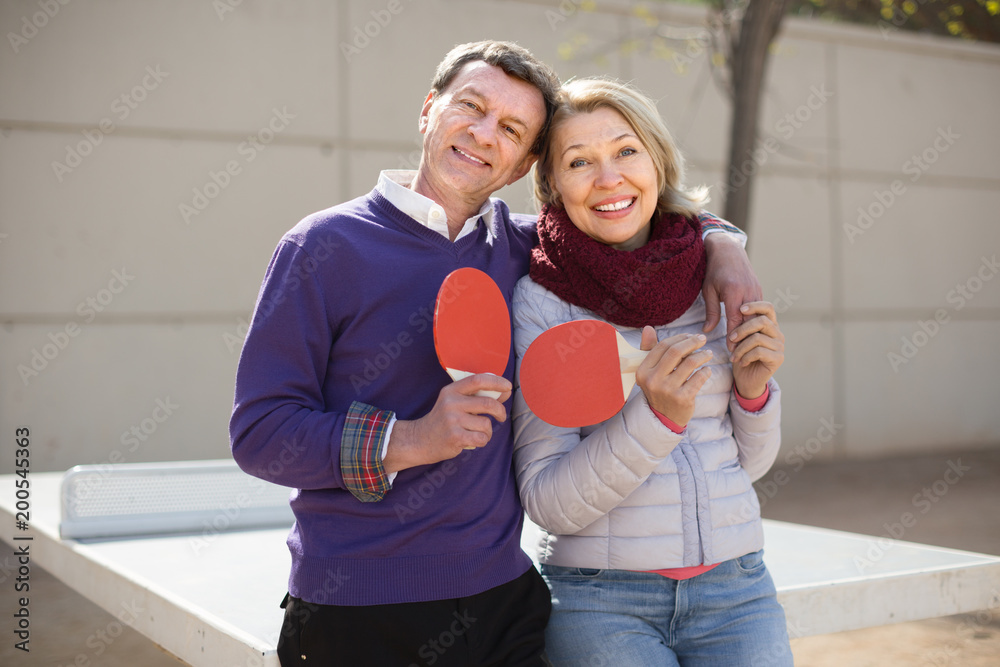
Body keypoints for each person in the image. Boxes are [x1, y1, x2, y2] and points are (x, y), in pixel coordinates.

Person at [230, 41, 761, 666]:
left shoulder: (531, 253)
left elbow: (632, 209)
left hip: (503, 605)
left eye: (511, 129)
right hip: (357, 610)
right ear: (429, 109)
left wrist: (724, 245)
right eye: (471, 107)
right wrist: (412, 439)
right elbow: (260, 433)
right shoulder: (322, 245)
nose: (484, 134)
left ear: (522, 165)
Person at [512, 76, 793, 666]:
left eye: (625, 150)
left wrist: (752, 393)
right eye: (579, 161)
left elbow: (749, 467)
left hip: (738, 589)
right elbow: (547, 501)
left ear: (659, 161)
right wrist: (656, 420)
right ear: (553, 186)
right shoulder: (543, 301)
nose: (609, 177)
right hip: (601, 601)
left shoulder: (713, 276)